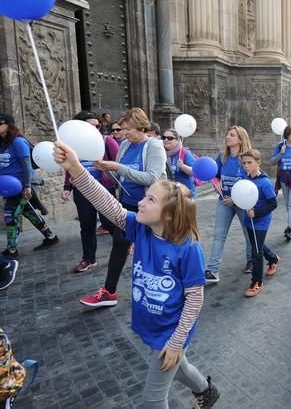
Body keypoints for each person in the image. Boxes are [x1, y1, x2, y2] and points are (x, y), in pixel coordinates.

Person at [52, 141, 220, 408]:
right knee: (177, 365)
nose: (140, 202)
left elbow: (195, 299)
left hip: (171, 332)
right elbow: (108, 204)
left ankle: (202, 387)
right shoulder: (140, 229)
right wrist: (75, 169)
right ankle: (206, 390)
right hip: (150, 325)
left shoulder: (188, 249)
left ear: (169, 214)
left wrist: (176, 342)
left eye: (150, 199)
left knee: (153, 398)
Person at [81, 108, 167, 307]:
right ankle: (109, 292)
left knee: (155, 249)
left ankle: (163, 291)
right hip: (127, 204)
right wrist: (105, 169)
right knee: (119, 244)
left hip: (151, 208)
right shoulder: (126, 145)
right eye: (122, 129)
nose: (123, 133)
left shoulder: (154, 146)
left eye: (127, 129)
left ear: (141, 127)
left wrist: (117, 167)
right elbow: (119, 177)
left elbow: (152, 177)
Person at [62, 111, 120, 273]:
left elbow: (119, 163)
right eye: (91, 125)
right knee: (86, 225)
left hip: (104, 187)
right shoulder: (72, 145)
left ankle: (125, 242)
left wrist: (107, 168)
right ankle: (88, 259)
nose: (96, 128)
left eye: (98, 125)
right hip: (81, 189)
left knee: (108, 222)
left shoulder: (106, 140)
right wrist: (67, 187)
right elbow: (69, 168)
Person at [0, 113, 59, 259]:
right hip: (9, 187)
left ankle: (12, 249)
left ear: (8, 124)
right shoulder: (2, 143)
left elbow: (26, 166)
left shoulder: (18, 142)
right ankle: (50, 237)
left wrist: (26, 186)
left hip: (21, 185)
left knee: (9, 214)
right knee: (28, 212)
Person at [205, 126, 253, 282]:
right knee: (219, 235)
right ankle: (213, 270)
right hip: (224, 202)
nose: (227, 137)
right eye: (227, 134)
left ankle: (251, 260)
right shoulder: (222, 157)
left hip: (243, 203)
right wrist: (215, 183)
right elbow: (215, 175)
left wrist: (236, 199)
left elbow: (252, 182)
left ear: (240, 139)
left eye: (232, 135)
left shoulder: (246, 159)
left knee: (248, 234)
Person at [240, 149, 280, 297]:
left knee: (256, 252)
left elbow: (273, 204)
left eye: (249, 163)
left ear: (258, 163)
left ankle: (257, 282)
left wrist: (257, 213)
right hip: (248, 220)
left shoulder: (265, 182)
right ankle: (273, 258)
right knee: (257, 244)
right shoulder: (245, 179)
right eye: (244, 163)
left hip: (260, 221)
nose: (246, 166)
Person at [162, 129, 197, 197]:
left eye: (170, 138)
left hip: (185, 194)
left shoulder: (185, 153)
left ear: (177, 140)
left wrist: (183, 166)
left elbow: (195, 171)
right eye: (163, 137)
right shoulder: (160, 152)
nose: (166, 140)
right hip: (168, 194)